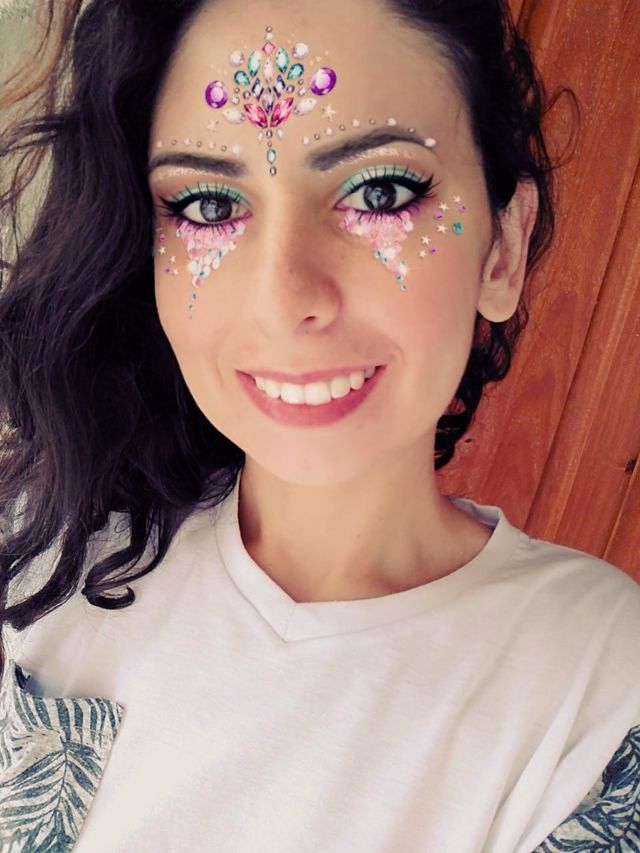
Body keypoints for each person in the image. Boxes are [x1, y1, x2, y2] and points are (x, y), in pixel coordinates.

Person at [0, 0, 638, 850]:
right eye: (207, 205)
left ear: (503, 250)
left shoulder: (599, 689)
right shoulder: (52, 543)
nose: (284, 298)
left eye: (379, 191)